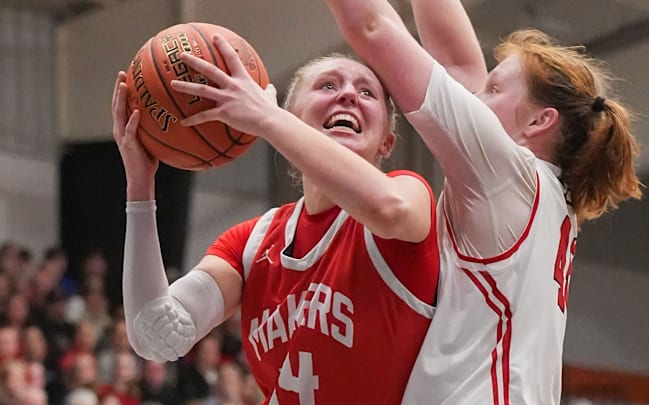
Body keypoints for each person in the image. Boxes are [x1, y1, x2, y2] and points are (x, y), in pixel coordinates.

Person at [322, 0, 643, 403]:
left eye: (493, 90)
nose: (475, 97)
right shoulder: (543, 192)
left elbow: (372, 26)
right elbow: (457, 66)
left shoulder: (505, 170)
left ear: (539, 121)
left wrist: (262, 114)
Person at [112, 33, 440, 404]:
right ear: (293, 117)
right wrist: (140, 187)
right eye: (328, 85)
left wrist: (268, 121)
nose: (348, 94)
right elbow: (156, 334)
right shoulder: (250, 243)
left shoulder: (408, 193)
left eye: (367, 93)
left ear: (386, 142)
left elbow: (389, 210)